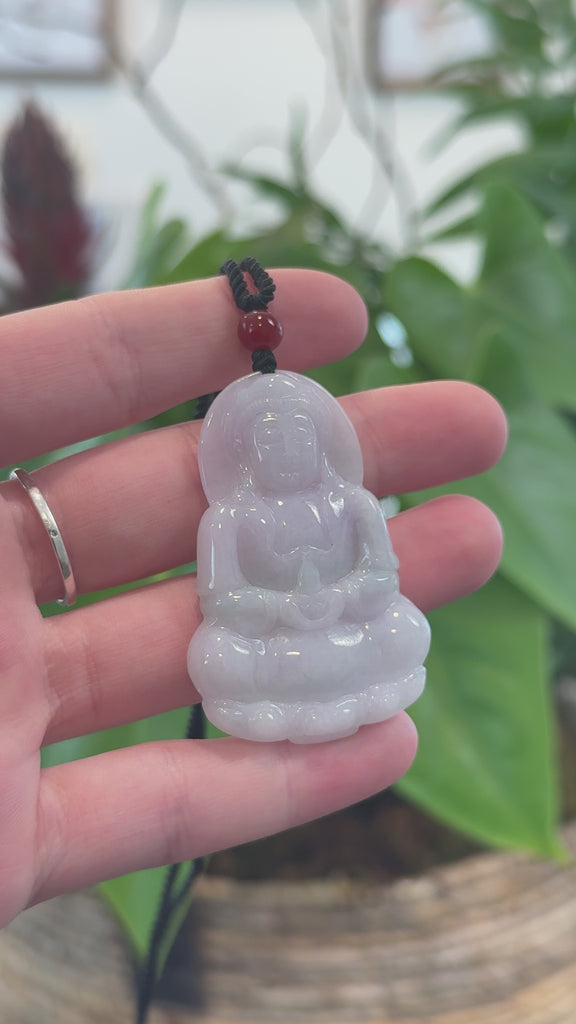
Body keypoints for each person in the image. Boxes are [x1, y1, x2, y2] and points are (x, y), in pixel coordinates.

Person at [0, 268, 506, 930]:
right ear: (243, 454)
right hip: (272, 642)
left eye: (299, 437)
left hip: (347, 627)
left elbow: (382, 579)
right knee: (218, 656)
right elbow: (224, 601)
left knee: (404, 629)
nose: (286, 449)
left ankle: (332, 684)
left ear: (321, 443)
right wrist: (282, 610)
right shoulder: (230, 518)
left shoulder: (352, 504)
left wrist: (341, 598)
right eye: (269, 440)